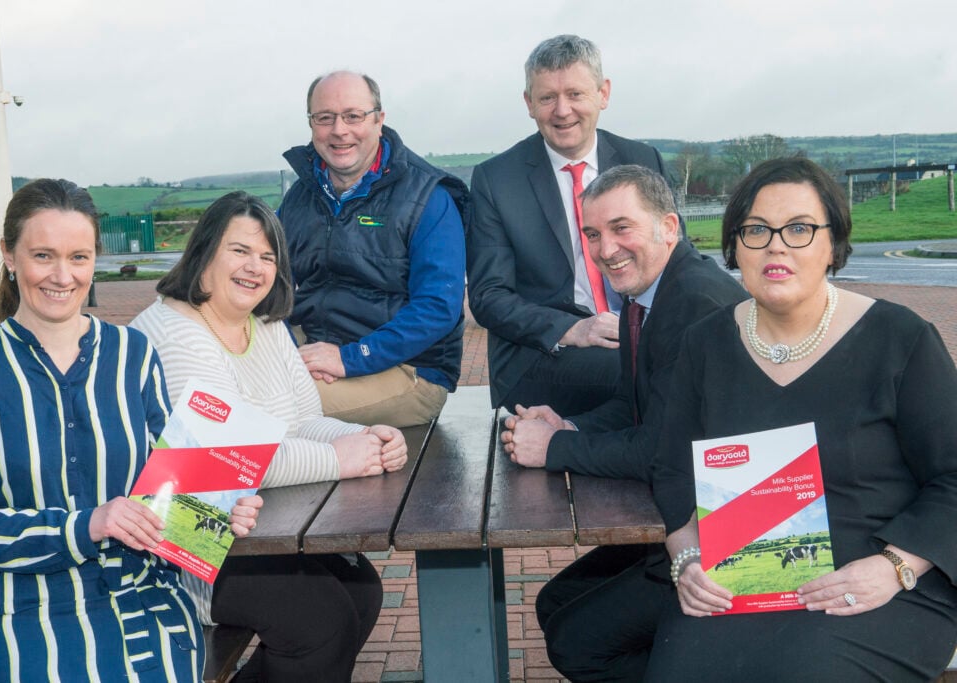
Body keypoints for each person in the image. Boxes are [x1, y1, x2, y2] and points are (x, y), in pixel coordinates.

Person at [0, 179, 261, 681]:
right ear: (9, 256)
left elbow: (166, 487)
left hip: (138, 591)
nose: (63, 276)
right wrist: (82, 525)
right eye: (43, 255)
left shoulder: (134, 355)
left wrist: (217, 507)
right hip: (14, 601)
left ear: (94, 261)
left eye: (79, 257)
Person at [647, 157, 957, 681]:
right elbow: (674, 469)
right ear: (734, 247)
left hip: (877, 581)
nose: (775, 246)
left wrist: (895, 566)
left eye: (798, 229)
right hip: (744, 579)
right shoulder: (704, 344)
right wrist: (687, 560)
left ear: (832, 244)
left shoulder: (901, 340)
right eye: (756, 230)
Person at [130, 190, 407, 682]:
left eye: (268, 257)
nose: (254, 267)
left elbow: (303, 420)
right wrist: (340, 459)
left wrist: (366, 436)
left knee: (360, 586)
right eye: (240, 250)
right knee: (318, 620)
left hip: (241, 526)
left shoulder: (267, 325)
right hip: (178, 543)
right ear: (204, 251)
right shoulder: (174, 332)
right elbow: (225, 460)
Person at [501, 165, 746, 681]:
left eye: (621, 228)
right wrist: (568, 426)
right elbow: (634, 404)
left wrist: (553, 450)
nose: (605, 248)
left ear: (670, 227)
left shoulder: (695, 303)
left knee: (577, 645)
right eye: (592, 234)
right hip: (679, 513)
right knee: (556, 601)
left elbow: (664, 450)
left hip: (726, 533)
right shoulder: (648, 295)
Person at [467, 34, 679, 415]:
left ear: (603, 93)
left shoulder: (643, 159)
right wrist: (573, 330)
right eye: (547, 98)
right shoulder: (496, 180)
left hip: (639, 336)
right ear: (529, 103)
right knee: (652, 373)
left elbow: (678, 257)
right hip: (542, 354)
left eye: (575, 94)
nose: (562, 111)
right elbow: (488, 296)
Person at [277, 70, 468, 428]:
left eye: (353, 116)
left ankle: (190, 484)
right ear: (311, 124)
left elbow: (437, 308)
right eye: (325, 118)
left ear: (379, 120)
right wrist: (285, 347)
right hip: (321, 345)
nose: (339, 130)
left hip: (410, 369)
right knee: (216, 378)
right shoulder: (301, 196)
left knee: (269, 406)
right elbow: (271, 283)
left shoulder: (429, 198)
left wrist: (349, 359)